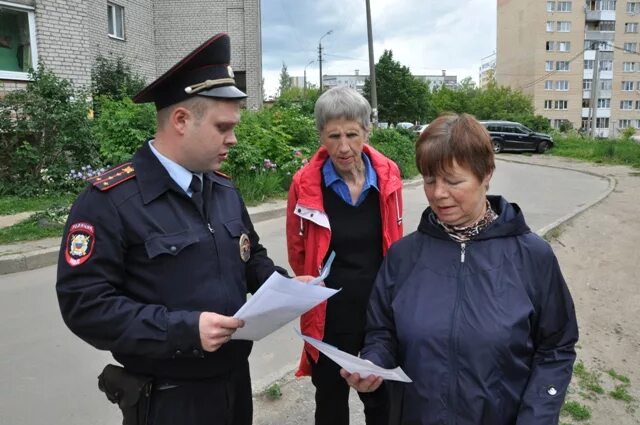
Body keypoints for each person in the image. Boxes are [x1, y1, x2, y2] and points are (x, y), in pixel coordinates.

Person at [56, 33, 303, 425]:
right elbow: (85, 306)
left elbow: (249, 255)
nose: (233, 139)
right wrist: (183, 330)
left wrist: (287, 286)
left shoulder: (220, 187)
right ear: (181, 120)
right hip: (167, 399)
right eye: (223, 127)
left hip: (234, 386)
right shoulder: (111, 200)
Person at [343, 113, 579, 425]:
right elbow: (382, 332)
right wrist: (373, 363)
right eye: (429, 180)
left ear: (486, 174)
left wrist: (537, 417)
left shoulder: (532, 256)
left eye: (453, 181)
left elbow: (556, 348)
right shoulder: (404, 256)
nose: (438, 193)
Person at [286, 86, 404, 425]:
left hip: (378, 311)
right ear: (320, 134)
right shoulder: (304, 184)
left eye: (352, 134)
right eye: (333, 135)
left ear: (367, 131)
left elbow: (393, 239)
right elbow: (299, 251)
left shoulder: (388, 176)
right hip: (329, 314)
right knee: (330, 400)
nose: (343, 147)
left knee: (380, 399)